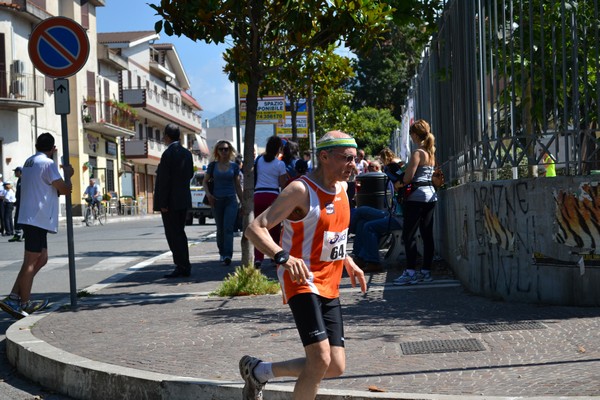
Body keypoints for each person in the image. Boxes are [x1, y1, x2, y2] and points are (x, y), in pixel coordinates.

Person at [240, 130, 367, 400]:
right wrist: (282, 256)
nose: (353, 165)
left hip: (329, 283)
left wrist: (348, 260)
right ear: (324, 156)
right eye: (347, 159)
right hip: (301, 280)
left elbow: (334, 236)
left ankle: (259, 371)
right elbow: (255, 228)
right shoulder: (300, 190)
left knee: (334, 366)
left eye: (355, 159)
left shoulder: (343, 189)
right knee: (320, 359)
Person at [0, 133, 73, 319]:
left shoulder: (29, 161)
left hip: (33, 217)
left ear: (36, 145)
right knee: (31, 261)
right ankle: (23, 302)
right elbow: (64, 189)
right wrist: (68, 175)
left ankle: (14, 296)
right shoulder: (48, 164)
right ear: (53, 148)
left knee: (41, 259)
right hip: (36, 218)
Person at [394, 119, 438, 286]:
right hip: (430, 197)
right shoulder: (431, 152)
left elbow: (408, 178)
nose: (411, 137)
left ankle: (410, 271)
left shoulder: (418, 153)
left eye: (411, 134)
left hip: (416, 198)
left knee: (409, 234)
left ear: (414, 134)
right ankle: (426, 271)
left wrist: (398, 184)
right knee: (427, 235)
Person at [153, 124, 194, 278]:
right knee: (180, 233)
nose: (163, 138)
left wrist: (163, 203)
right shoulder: (187, 154)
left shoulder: (168, 154)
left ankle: (181, 265)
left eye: (164, 135)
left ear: (168, 137)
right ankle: (185, 264)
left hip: (170, 202)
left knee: (172, 234)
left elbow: (164, 181)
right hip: (183, 199)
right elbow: (189, 174)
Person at [203, 140, 243, 265]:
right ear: (217, 151)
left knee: (228, 228)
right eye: (221, 149)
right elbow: (205, 181)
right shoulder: (212, 166)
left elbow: (237, 185)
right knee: (220, 229)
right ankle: (222, 252)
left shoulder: (234, 166)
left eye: (226, 149)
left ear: (230, 150)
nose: (224, 151)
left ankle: (227, 255)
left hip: (231, 200)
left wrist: (242, 203)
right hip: (216, 200)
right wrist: (209, 195)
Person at [253, 135, 288, 267]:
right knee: (274, 229)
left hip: (258, 195)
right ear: (279, 148)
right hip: (272, 196)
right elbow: (283, 184)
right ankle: (275, 257)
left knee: (258, 228)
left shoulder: (259, 160)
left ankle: (258, 258)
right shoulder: (280, 164)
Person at [9, 167, 24, 242]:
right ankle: (18, 235)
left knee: (20, 218)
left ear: (20, 172)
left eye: (16, 171)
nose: (15, 173)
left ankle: (21, 235)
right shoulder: (19, 180)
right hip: (19, 202)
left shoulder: (24, 179)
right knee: (17, 218)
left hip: (23, 202)